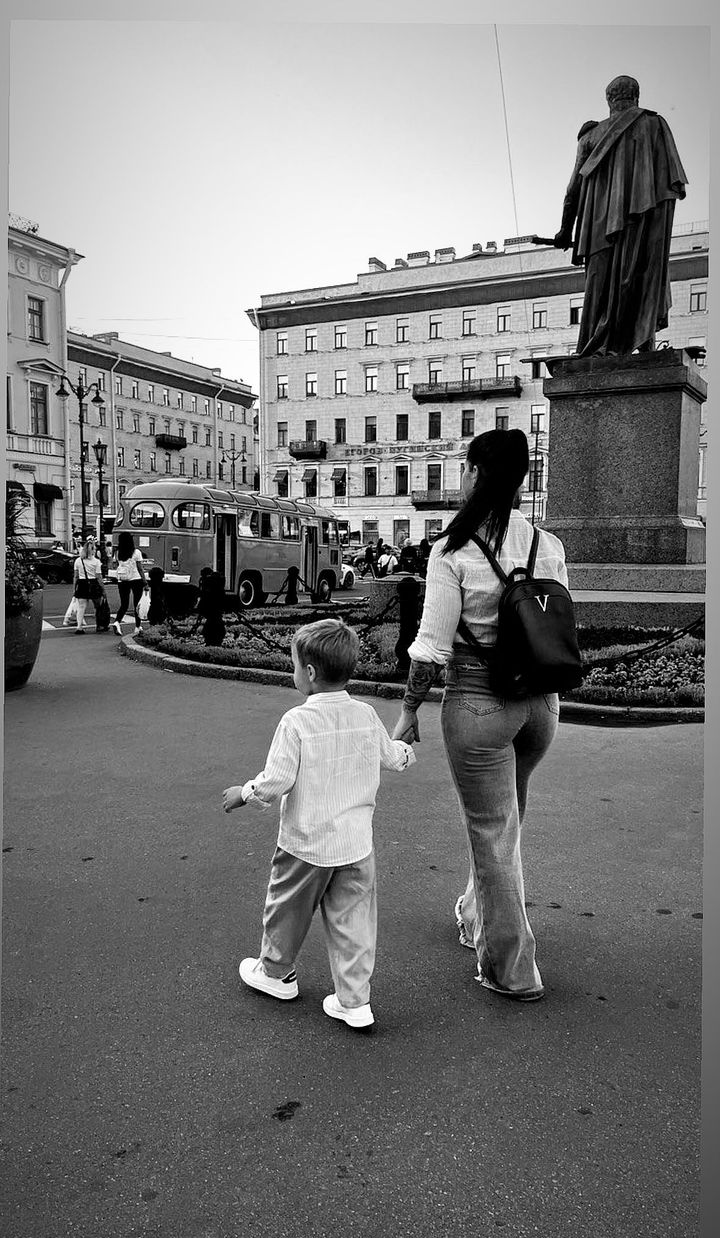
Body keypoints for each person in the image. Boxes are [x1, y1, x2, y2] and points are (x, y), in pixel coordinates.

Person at [391, 430, 568, 1002]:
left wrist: (410, 709)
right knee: (505, 819)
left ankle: (513, 969)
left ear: (473, 473)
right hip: (541, 705)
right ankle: (475, 914)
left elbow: (431, 648)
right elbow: (557, 629)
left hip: (476, 702)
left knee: (493, 831)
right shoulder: (548, 545)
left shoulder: (453, 550)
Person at [222, 618, 415, 1030]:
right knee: (354, 920)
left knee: (287, 909)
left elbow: (276, 781)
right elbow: (392, 757)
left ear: (309, 673)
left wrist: (244, 793)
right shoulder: (365, 714)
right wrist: (405, 748)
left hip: (305, 845)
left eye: (295, 666)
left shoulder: (296, 722)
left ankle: (276, 973)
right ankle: (354, 1000)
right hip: (356, 844)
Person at [554, 75, 687, 358]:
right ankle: (642, 342)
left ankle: (596, 347)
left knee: (598, 289)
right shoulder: (656, 124)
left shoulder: (590, 137)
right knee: (640, 276)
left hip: (598, 231)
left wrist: (565, 232)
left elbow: (572, 191)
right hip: (643, 225)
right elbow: (668, 187)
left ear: (609, 100)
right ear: (636, 96)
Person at [111, 531, 147, 637]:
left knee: (124, 604)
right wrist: (145, 582)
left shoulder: (118, 552)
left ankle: (117, 622)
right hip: (136, 579)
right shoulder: (136, 552)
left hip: (122, 580)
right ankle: (137, 627)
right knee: (137, 604)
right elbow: (140, 568)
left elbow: (114, 565)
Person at [72, 538, 103, 635]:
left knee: (81, 607)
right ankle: (99, 625)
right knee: (97, 606)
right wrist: (103, 588)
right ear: (92, 550)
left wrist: (74, 588)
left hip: (82, 583)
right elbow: (98, 576)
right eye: (94, 549)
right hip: (93, 583)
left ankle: (79, 627)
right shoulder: (96, 562)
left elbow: (76, 576)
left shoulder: (78, 560)